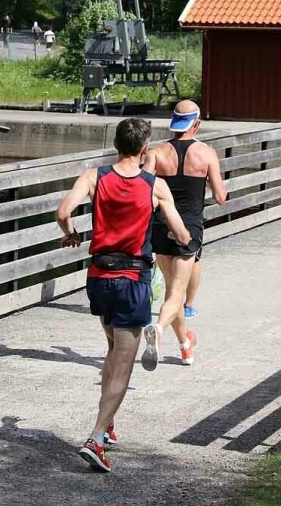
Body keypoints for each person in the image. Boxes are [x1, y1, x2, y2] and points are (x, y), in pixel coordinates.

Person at [56, 118, 190, 473]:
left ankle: (108, 422)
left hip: (99, 277)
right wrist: (183, 239)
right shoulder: (155, 186)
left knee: (114, 349)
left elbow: (62, 212)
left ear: (116, 144)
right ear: (145, 149)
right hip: (132, 280)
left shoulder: (94, 176)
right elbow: (179, 232)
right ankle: (96, 438)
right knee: (124, 365)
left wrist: (71, 234)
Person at [143, 100, 227, 367]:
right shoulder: (207, 153)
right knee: (176, 293)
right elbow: (220, 197)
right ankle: (158, 329)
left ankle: (185, 346)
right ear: (197, 123)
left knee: (172, 290)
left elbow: (142, 190)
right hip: (188, 229)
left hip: (160, 226)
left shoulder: (156, 153)